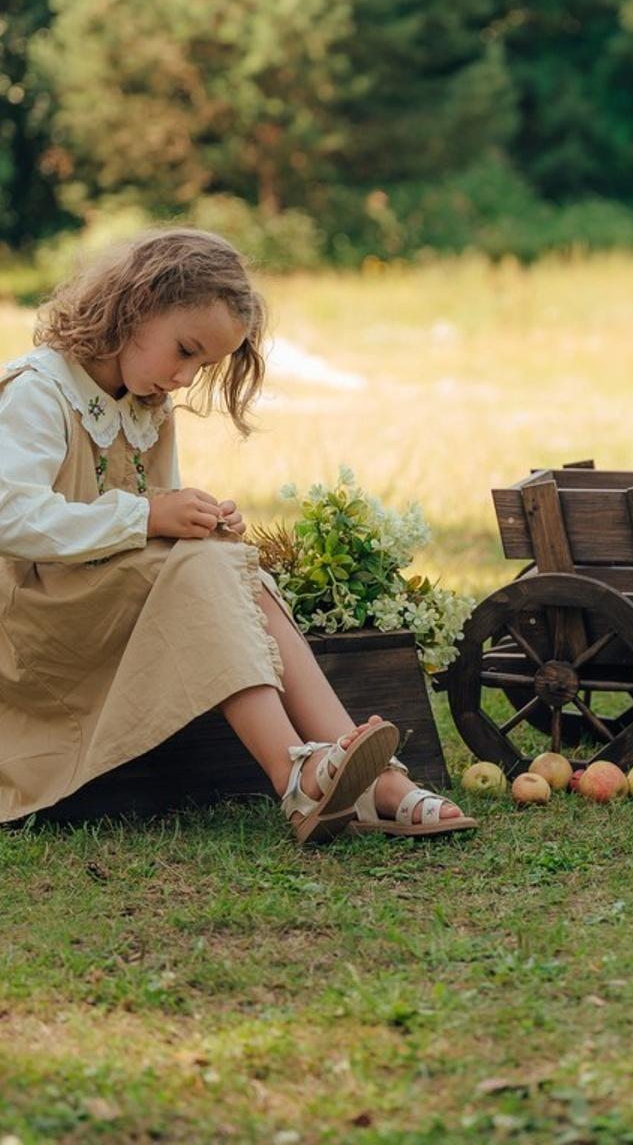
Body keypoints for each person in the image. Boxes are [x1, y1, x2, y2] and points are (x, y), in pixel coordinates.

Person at [0, 227, 477, 843]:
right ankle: (302, 775)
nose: (185, 377)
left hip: (98, 607)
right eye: (185, 350)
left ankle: (363, 777)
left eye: (203, 365)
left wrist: (194, 521)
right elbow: (10, 516)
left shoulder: (146, 403)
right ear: (134, 307)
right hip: (35, 626)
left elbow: (154, 532)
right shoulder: (40, 391)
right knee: (210, 563)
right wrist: (152, 518)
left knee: (228, 561)